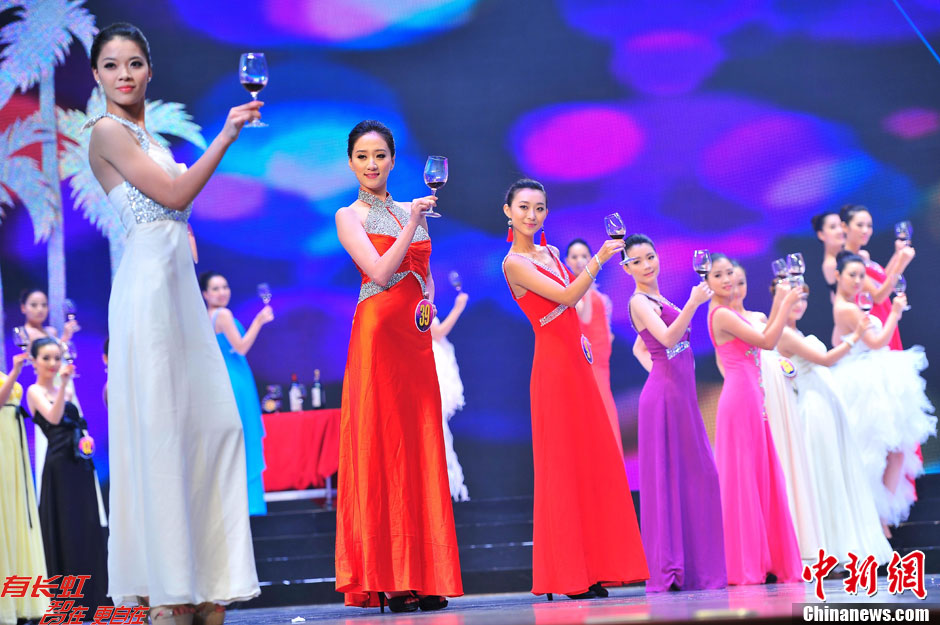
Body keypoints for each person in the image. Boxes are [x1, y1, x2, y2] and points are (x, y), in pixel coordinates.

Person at [86, 22, 261, 624]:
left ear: (150, 70)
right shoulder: (106, 131)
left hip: (178, 290)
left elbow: (173, 208)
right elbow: (175, 192)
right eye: (112, 65)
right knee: (161, 435)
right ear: (97, 76)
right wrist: (228, 135)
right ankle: (168, 592)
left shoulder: (148, 132)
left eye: (134, 63)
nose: (125, 74)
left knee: (213, 427)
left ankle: (207, 578)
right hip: (147, 292)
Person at [334, 120, 461, 612]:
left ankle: (425, 573)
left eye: (381, 155)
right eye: (363, 156)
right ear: (351, 163)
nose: (372, 164)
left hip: (413, 335)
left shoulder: (412, 209)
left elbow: (423, 279)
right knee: (383, 445)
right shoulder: (348, 215)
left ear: (392, 159)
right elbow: (380, 271)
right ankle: (389, 576)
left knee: (418, 445)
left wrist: (428, 302)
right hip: (377, 335)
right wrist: (411, 220)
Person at [501, 178, 648, 599]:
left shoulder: (549, 252)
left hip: (578, 362)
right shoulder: (514, 262)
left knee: (591, 461)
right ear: (508, 211)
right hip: (552, 368)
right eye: (524, 207)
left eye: (540, 208)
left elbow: (579, 306)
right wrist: (599, 257)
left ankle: (597, 565)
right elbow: (566, 296)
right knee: (563, 467)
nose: (532, 215)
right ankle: (569, 574)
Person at [622, 235, 726, 593]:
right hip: (665, 399)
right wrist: (694, 303)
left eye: (650, 257)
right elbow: (666, 339)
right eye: (637, 261)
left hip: (679, 395)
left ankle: (695, 565)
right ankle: (672, 568)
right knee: (670, 481)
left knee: (698, 477)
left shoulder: (658, 299)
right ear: (626, 268)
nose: (647, 264)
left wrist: (655, 369)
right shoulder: (638, 301)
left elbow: (643, 345)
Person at [776, 284, 892, 564]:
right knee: (823, 475)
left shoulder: (797, 332)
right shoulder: (784, 335)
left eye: (803, 299)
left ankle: (846, 545)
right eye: (793, 299)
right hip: (814, 407)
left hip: (828, 403)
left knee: (838, 473)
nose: (799, 304)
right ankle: (828, 549)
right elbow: (826, 359)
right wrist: (856, 336)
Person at [705, 254, 802, 585]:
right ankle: (748, 563)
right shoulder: (719, 314)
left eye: (730, 272)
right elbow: (767, 340)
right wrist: (782, 300)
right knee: (744, 480)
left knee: (761, 475)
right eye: (718, 275)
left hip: (753, 396)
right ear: (707, 282)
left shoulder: (732, 312)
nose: (727, 279)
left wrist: (780, 305)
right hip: (740, 400)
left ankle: (769, 558)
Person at [829, 251, 935, 530]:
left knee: (893, 452)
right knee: (879, 453)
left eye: (861, 276)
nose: (857, 281)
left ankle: (881, 520)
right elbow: (876, 342)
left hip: (874, 377)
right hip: (866, 383)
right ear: (838, 276)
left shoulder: (852, 305)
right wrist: (895, 314)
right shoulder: (846, 308)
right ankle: (878, 522)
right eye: (852, 275)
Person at [730, 266, 822, 563]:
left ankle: (794, 538)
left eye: (741, 281)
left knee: (788, 459)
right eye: (728, 281)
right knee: (768, 461)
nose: (736, 287)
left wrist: (788, 369)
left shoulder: (758, 317)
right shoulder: (723, 318)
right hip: (754, 392)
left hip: (777, 390)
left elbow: (775, 350)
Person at [26, 338, 111, 617]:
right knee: (65, 528)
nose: (53, 364)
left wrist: (86, 441)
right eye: (47, 358)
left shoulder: (65, 389)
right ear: (35, 361)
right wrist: (63, 385)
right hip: (59, 468)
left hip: (80, 466)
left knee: (87, 527)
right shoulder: (35, 390)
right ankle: (67, 600)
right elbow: (53, 418)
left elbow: (76, 423)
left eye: (56, 358)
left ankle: (93, 596)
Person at [200, 271, 274, 516]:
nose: (222, 292)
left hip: (222, 382)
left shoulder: (205, 317)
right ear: (205, 294)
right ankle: (250, 505)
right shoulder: (223, 315)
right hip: (236, 381)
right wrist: (259, 321)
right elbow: (241, 347)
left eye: (225, 286)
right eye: (216, 288)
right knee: (246, 438)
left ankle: (232, 503)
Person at [17, 288, 81, 503]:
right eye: (34, 305)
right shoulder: (25, 335)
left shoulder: (50, 331)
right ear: (23, 308)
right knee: (53, 436)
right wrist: (62, 341)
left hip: (61, 385)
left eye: (44, 305)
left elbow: (57, 355)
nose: (40, 309)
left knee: (74, 429)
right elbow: (43, 357)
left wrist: (65, 338)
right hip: (43, 393)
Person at [0, 351, 49, 624]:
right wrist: (16, 372)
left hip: (13, 450)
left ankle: (22, 600)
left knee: (17, 519)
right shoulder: (10, 375)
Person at [565, 238, 623, 458]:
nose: (580, 261)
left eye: (584, 256)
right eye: (575, 257)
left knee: (607, 418)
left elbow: (606, 331)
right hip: (586, 368)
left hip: (602, 365)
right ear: (567, 261)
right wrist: (586, 280)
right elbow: (585, 317)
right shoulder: (573, 293)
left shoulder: (601, 297)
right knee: (593, 420)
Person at [839, 204, 914, 351]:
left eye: (869, 225)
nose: (865, 230)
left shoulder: (863, 255)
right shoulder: (848, 261)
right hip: (873, 318)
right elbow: (878, 296)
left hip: (883, 313)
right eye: (859, 225)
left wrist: (897, 255)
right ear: (845, 226)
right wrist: (902, 263)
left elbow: (883, 280)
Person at [431, 292, 471, 502]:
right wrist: (458, 308)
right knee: (437, 431)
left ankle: (448, 486)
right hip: (430, 364)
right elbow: (437, 332)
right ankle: (443, 486)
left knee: (441, 432)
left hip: (437, 362)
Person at [812, 210, 844, 298]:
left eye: (841, 225)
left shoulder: (848, 256)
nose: (840, 231)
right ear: (821, 235)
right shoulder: (831, 264)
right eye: (833, 227)